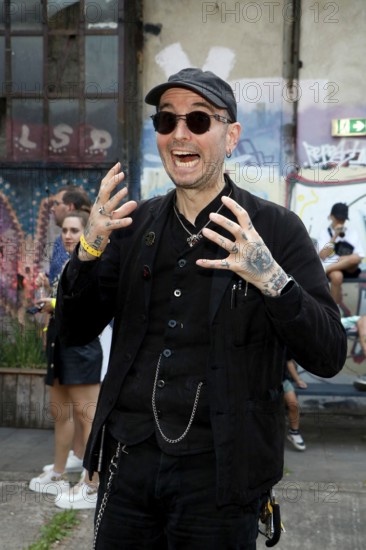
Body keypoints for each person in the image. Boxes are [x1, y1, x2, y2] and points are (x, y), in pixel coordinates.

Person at [56, 68, 347, 548]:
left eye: (197, 120)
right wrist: (87, 249)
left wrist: (273, 280)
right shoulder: (133, 224)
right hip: (128, 462)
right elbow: (74, 328)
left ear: (230, 136)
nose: (179, 134)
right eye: (166, 121)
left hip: (222, 474)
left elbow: (329, 353)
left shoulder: (275, 230)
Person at [29, 211, 101, 510]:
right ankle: (59, 473)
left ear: (86, 233)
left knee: (89, 416)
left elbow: (90, 304)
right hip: (59, 345)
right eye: (65, 231)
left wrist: (54, 304)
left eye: (75, 230)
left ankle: (94, 483)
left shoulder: (92, 264)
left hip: (81, 348)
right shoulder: (66, 264)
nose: (68, 235)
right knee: (61, 412)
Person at [318, 202, 365, 305]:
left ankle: (326, 270)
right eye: (338, 219)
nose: (340, 222)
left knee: (354, 259)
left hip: (348, 267)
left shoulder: (352, 233)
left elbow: (359, 256)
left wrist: (343, 259)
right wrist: (334, 236)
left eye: (342, 220)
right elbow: (322, 256)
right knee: (337, 276)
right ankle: (335, 311)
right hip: (333, 266)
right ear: (331, 217)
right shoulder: (324, 233)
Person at [284, 359, 307, 451]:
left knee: (293, 404)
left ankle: (294, 432)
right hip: (262, 379)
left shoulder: (281, 346)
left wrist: (298, 380)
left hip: (281, 379)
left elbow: (289, 362)